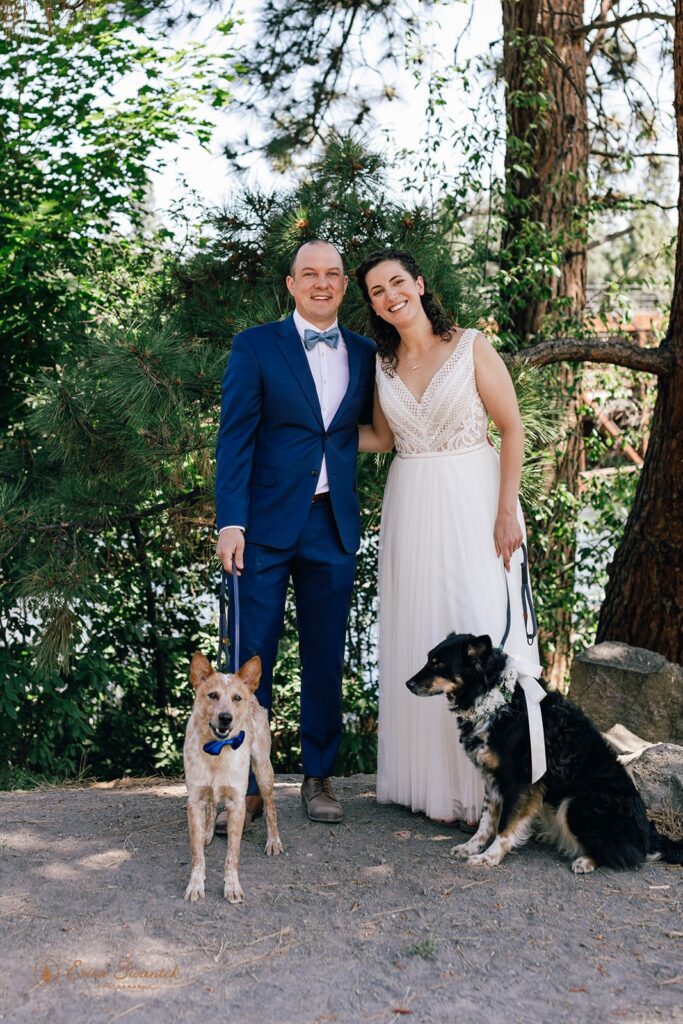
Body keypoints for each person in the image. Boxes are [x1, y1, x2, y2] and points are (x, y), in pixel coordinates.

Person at [356, 249, 541, 828]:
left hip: (474, 497)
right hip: (411, 501)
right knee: (422, 625)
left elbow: (511, 427)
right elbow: (383, 438)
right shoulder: (382, 366)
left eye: (397, 283)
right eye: (377, 291)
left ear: (419, 284)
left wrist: (506, 510)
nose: (390, 296)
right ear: (374, 307)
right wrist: (308, 434)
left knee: (480, 621)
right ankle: (429, 787)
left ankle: (502, 792)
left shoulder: (470, 347)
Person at [215, 239, 376, 825]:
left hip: (331, 524)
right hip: (260, 526)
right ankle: (248, 779)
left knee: (325, 655)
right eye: (310, 274)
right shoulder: (256, 346)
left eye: (332, 274)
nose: (322, 283)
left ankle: (318, 776)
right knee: (253, 656)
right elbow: (234, 438)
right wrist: (230, 521)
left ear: (343, 285)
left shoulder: (364, 352)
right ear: (291, 284)